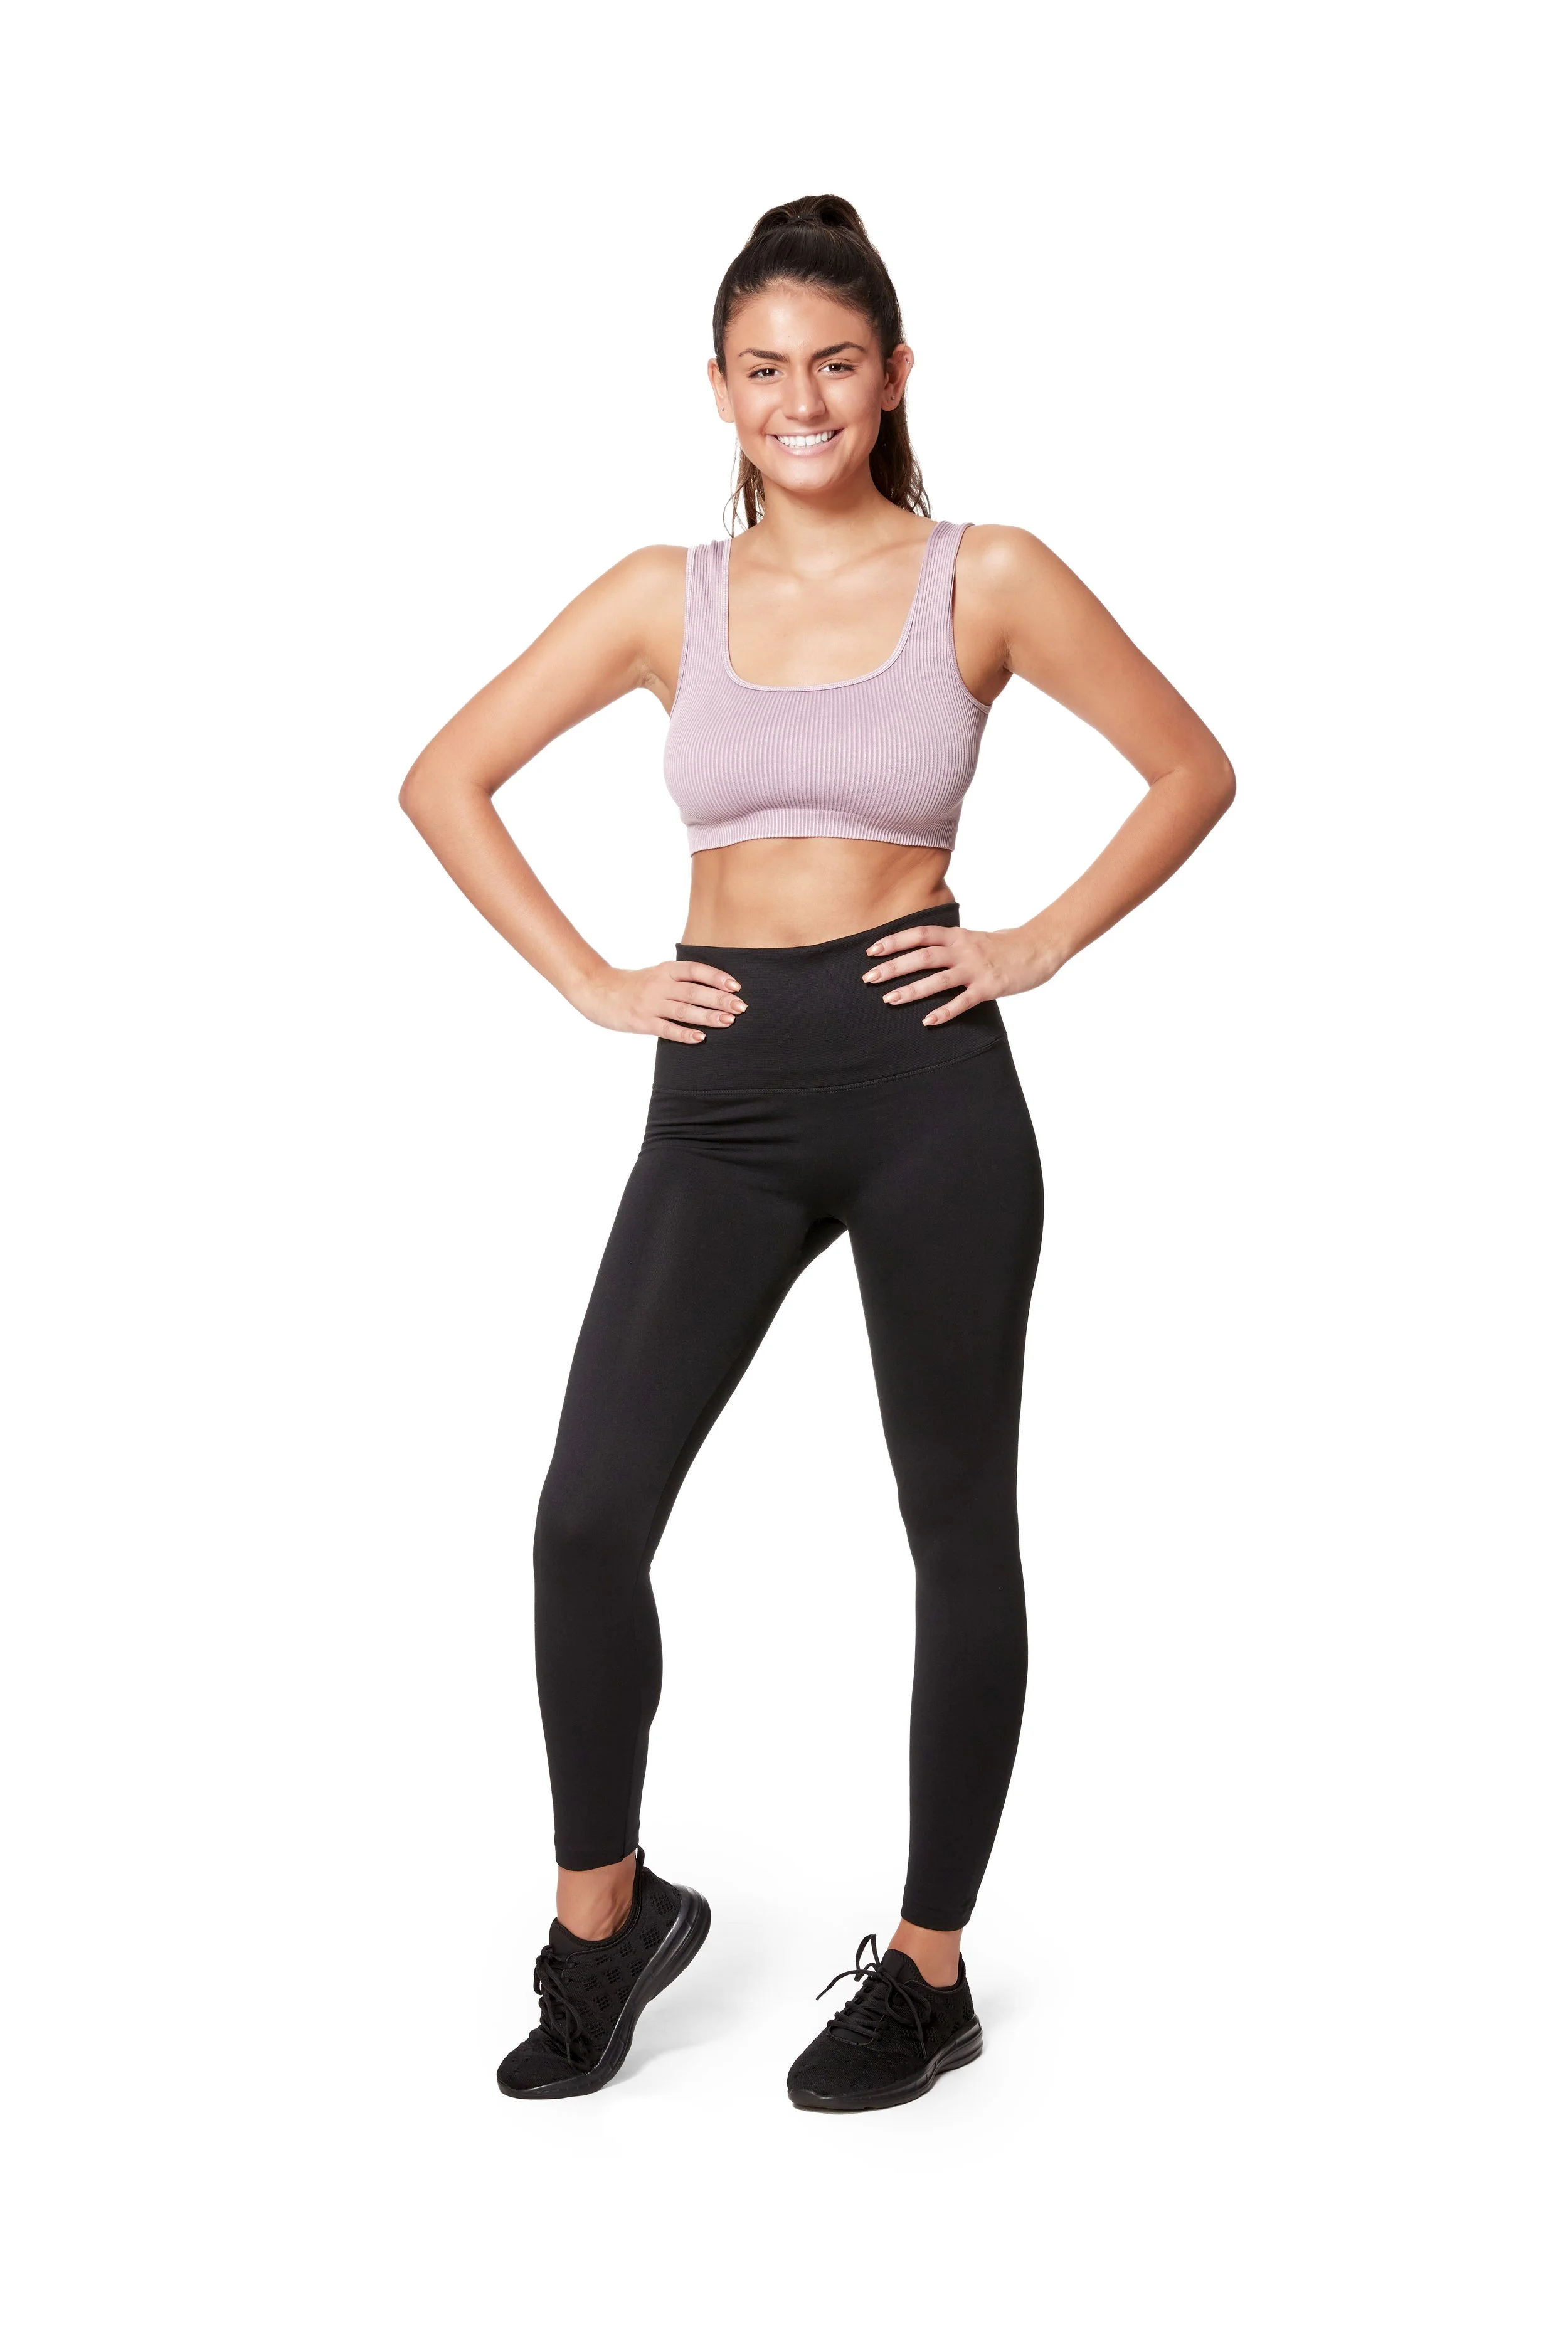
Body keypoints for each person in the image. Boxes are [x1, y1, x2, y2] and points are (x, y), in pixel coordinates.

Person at [399, 194, 1234, 2111]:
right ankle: (605, 1926)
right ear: (718, 388)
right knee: (586, 1512)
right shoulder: (655, 595)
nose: (800, 400)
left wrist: (1027, 941)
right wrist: (594, 981)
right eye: (763, 369)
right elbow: (442, 777)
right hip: (721, 1096)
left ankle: (927, 1966)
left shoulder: (985, 573)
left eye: (834, 364)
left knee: (954, 1524)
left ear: (893, 376)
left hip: (928, 1088)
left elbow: (1190, 764)